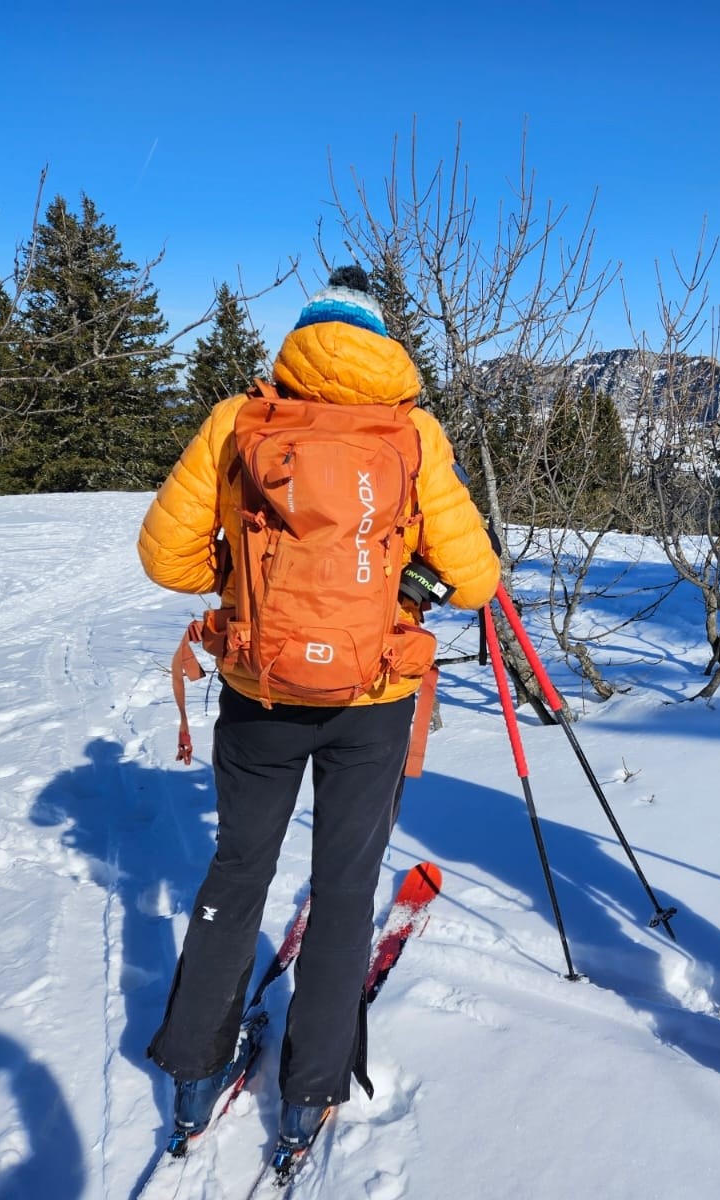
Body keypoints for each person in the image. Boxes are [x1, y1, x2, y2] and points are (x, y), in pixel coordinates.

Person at [136, 266, 499, 1153]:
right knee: (344, 888)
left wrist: (240, 585)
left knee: (238, 871)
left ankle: (193, 1073)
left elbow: (163, 557)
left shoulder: (240, 421)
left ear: (304, 335)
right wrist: (406, 584)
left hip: (259, 691)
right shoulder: (412, 432)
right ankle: (309, 1092)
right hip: (373, 700)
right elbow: (477, 577)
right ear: (382, 342)